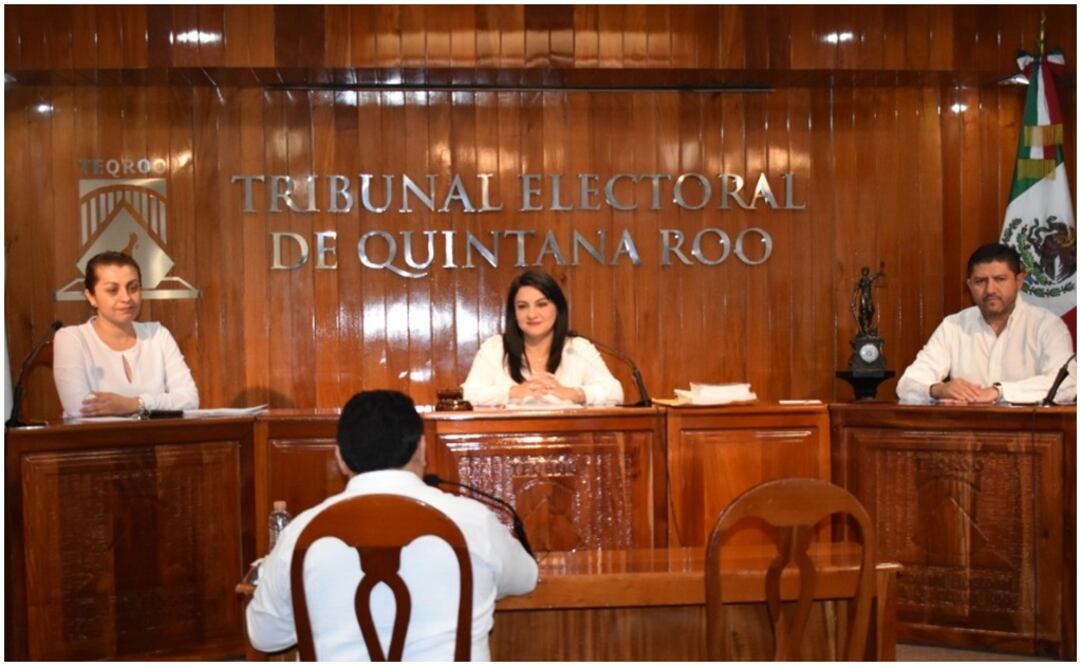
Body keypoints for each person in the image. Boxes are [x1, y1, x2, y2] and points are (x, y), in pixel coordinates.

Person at [246, 390, 538, 660]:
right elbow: (526, 578)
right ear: (422, 448)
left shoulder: (299, 533)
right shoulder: (472, 520)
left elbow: (265, 637)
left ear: (339, 458)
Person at [896, 243, 1076, 405]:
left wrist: (998, 392)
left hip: (1030, 430)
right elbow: (907, 384)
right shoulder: (953, 325)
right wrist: (938, 389)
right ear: (969, 285)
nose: (990, 290)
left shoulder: (1047, 325)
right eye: (980, 281)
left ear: (1019, 281)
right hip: (967, 430)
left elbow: (1068, 384)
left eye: (1000, 279)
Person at [52, 251, 199, 418]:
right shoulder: (72, 338)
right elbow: (79, 408)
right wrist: (153, 406)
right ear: (91, 297)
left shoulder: (158, 335)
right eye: (112, 290)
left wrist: (134, 404)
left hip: (155, 435)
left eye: (133, 288)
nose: (126, 297)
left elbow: (190, 399)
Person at [461, 269, 624, 407]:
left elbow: (615, 392)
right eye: (522, 306)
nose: (532, 314)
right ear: (514, 313)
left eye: (541, 304)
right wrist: (513, 392)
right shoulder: (495, 348)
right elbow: (468, 394)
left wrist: (574, 394)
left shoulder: (577, 348)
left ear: (558, 308)